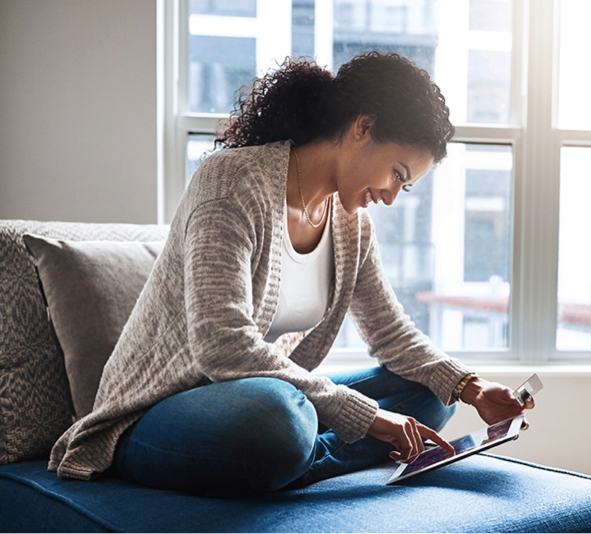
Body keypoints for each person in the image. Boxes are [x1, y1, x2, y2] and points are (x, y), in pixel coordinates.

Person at [48, 51, 533, 492]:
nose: (390, 195)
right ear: (363, 126)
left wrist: (470, 386)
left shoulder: (351, 225)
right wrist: (363, 418)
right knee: (279, 420)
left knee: (432, 393)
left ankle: (292, 463)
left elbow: (391, 332)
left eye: (403, 188)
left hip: (263, 400)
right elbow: (223, 344)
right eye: (397, 174)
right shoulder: (231, 182)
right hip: (159, 413)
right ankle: (299, 456)